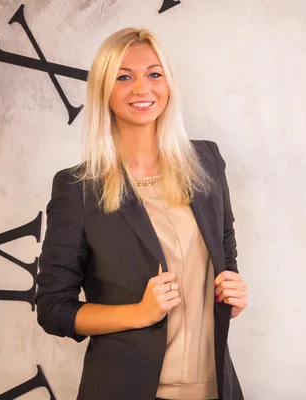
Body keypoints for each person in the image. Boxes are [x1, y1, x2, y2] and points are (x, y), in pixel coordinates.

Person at [34, 27, 246, 400]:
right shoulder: (78, 188)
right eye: (124, 77)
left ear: (168, 83)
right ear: (104, 88)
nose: (141, 89)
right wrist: (140, 313)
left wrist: (232, 295)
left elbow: (224, 258)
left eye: (153, 74)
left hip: (217, 389)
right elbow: (53, 309)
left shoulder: (207, 162)